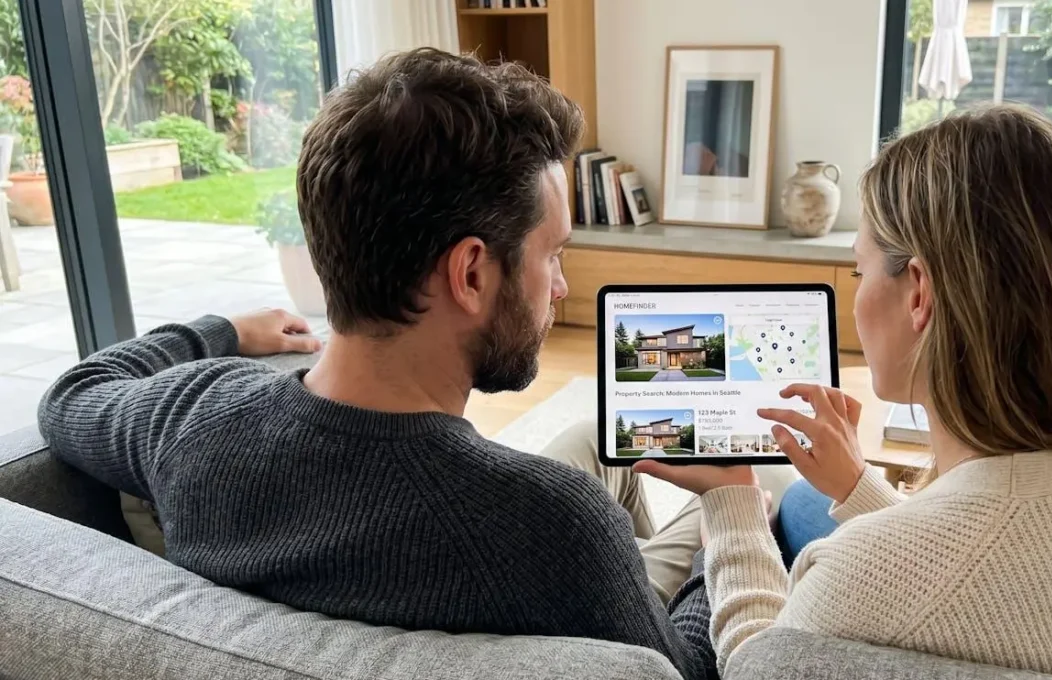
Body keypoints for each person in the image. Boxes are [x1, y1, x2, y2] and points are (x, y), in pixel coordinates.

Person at [37, 49, 756, 680]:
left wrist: (220, 330)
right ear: (471, 274)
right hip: (592, 568)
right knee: (756, 490)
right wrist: (728, 514)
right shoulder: (549, 527)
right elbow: (683, 670)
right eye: (553, 254)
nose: (561, 287)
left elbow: (74, 394)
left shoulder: (194, 419)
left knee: (613, 439)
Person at [637, 105, 1052, 679]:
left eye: (858, 273)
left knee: (757, 495)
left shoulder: (863, 571)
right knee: (806, 498)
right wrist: (857, 486)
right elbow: (973, 552)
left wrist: (732, 506)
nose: (855, 296)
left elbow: (761, 665)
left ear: (919, 294)